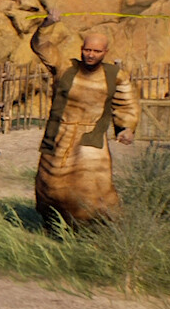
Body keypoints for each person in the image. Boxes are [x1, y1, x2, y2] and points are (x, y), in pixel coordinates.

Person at [30, 13, 139, 227]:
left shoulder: (116, 76)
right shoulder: (64, 66)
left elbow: (126, 104)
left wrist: (126, 128)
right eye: (87, 50)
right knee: (50, 185)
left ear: (105, 52)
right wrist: (47, 24)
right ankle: (54, 226)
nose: (90, 55)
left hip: (91, 138)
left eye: (96, 51)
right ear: (82, 49)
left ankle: (96, 227)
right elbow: (40, 46)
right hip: (59, 135)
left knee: (92, 187)